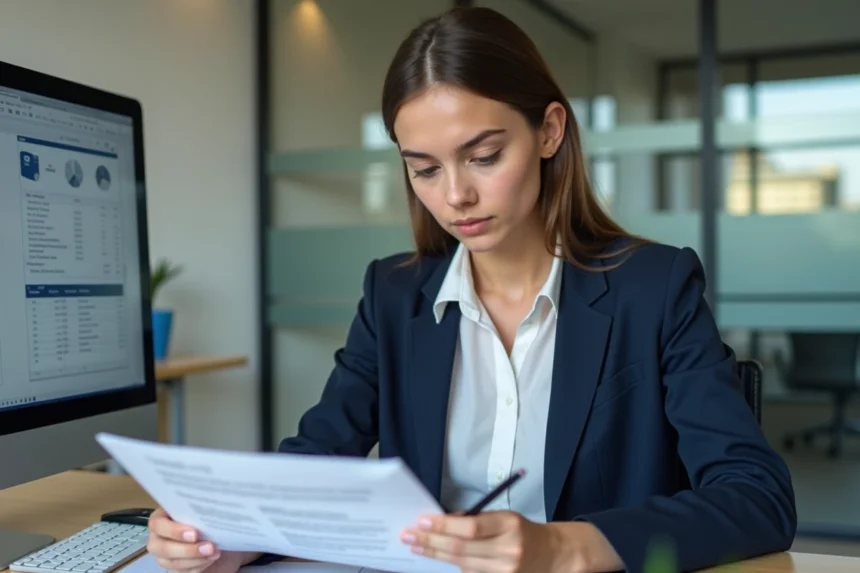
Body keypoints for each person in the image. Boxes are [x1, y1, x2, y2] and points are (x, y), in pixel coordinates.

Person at [145, 6, 796, 573]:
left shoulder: (653, 288)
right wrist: (230, 536)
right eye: (424, 169)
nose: (454, 195)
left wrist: (562, 548)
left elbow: (756, 495)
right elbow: (318, 459)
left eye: (483, 156)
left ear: (549, 131)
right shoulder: (394, 295)